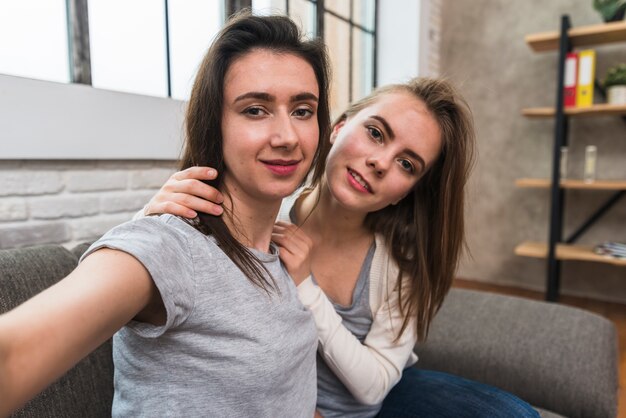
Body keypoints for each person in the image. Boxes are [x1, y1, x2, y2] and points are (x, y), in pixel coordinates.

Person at [140, 78, 541, 418]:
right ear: (338, 127)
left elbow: (374, 388)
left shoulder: (399, 261)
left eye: (407, 164)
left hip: (381, 398)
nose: (381, 162)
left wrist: (305, 287)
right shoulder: (265, 216)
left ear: (408, 192)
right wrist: (153, 215)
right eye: (376, 133)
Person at [0, 12, 333, 417]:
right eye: (255, 110)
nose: (287, 137)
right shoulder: (170, 247)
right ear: (216, 123)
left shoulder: (282, 256)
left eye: (302, 110)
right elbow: (11, 354)